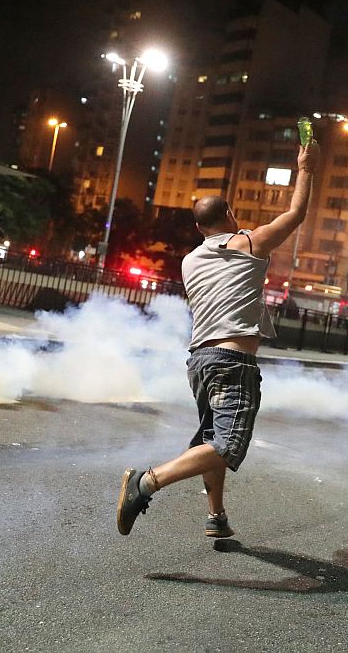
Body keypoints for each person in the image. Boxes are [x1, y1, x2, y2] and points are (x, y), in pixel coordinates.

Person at [116, 140, 319, 538]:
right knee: (228, 443)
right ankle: (145, 483)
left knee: (212, 439)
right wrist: (305, 167)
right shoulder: (249, 243)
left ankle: (217, 516)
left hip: (200, 362)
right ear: (230, 214)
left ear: (198, 229)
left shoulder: (190, 260)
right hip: (232, 362)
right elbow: (297, 213)